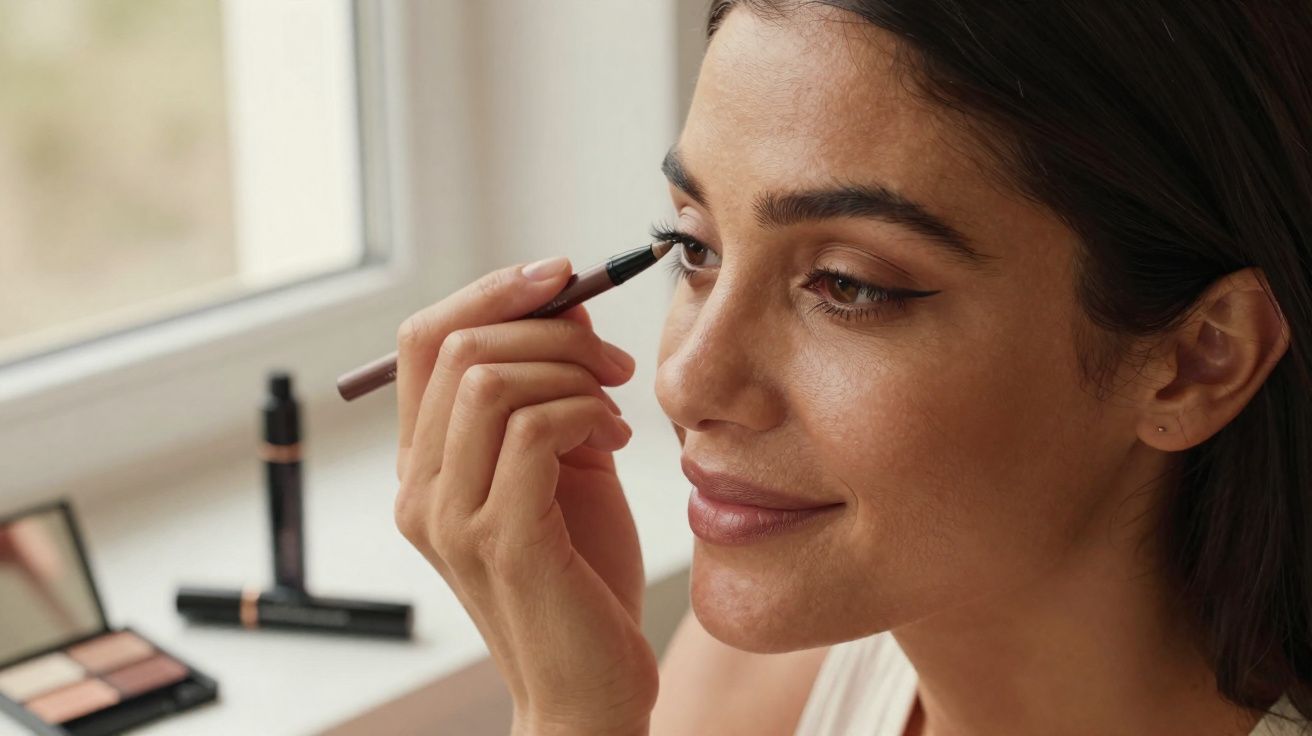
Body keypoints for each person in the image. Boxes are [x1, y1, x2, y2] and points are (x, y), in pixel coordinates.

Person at [391, 1, 1312, 734]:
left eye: (848, 285)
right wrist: (573, 711)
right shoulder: (781, 664)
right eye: (695, 246)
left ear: (1197, 361)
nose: (685, 383)